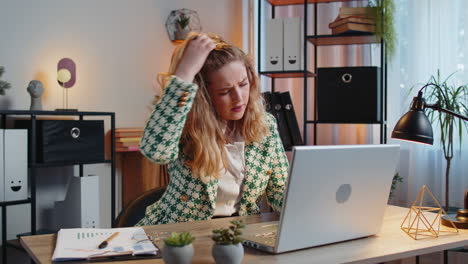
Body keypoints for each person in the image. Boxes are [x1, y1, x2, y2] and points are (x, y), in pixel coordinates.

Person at [136, 33, 288, 226]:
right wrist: (185, 72)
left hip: (240, 233)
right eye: (225, 92)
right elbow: (155, 152)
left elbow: (280, 191)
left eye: (243, 85)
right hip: (179, 233)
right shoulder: (185, 125)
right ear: (204, 96)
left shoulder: (265, 125)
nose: (239, 98)